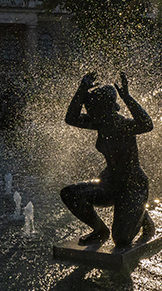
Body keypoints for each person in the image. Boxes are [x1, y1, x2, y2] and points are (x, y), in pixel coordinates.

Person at [60, 71, 156, 249]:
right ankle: (99, 230)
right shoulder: (100, 123)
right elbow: (71, 118)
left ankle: (142, 215)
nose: (89, 112)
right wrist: (82, 89)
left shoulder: (124, 124)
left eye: (92, 109)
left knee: (121, 240)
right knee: (70, 194)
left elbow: (147, 124)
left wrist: (127, 97)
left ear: (104, 108)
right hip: (110, 182)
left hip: (133, 185)